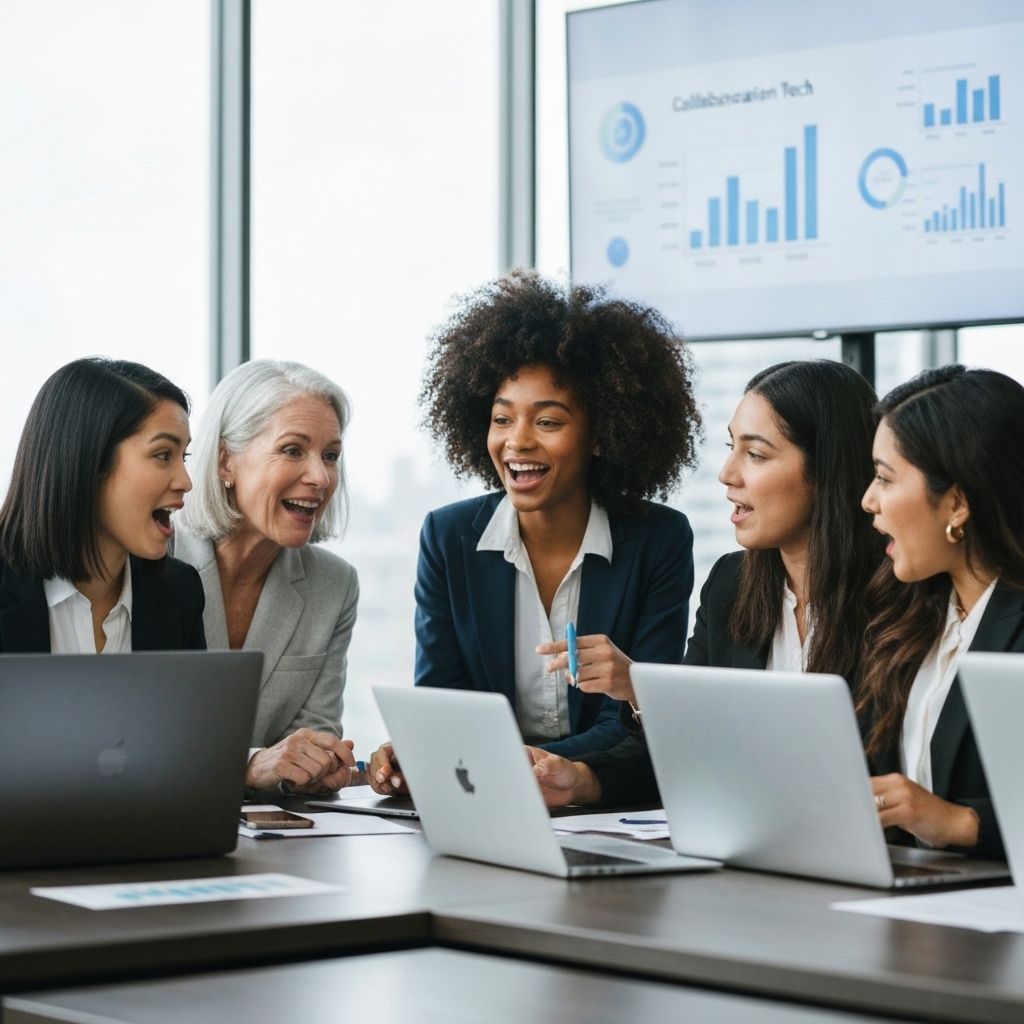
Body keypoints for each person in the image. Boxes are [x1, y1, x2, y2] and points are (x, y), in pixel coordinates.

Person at [369, 270, 701, 794]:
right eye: (502, 420)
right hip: (486, 801)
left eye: (547, 422)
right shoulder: (448, 536)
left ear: (600, 435)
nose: (516, 442)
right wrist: (419, 751)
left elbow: (637, 721)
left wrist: (493, 757)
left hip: (604, 803)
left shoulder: (658, 540)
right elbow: (445, 702)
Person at [530, 359, 882, 807]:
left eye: (755, 454)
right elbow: (687, 751)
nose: (727, 474)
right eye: (731, 447)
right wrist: (580, 779)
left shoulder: (896, 599)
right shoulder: (731, 585)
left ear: (828, 469)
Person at [857, 365, 1024, 861]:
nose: (868, 500)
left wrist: (959, 822)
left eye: (885, 478)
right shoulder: (909, 616)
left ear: (956, 503)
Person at [177, 359, 358, 794]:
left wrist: (317, 763)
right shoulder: (156, 557)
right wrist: (249, 764)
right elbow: (129, 736)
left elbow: (314, 734)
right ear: (225, 462)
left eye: (330, 456)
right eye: (293, 450)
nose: (319, 476)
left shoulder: (334, 585)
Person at [0, 358, 205, 653]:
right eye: (163, 455)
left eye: (183, 456)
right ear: (90, 461)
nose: (185, 482)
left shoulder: (180, 591)